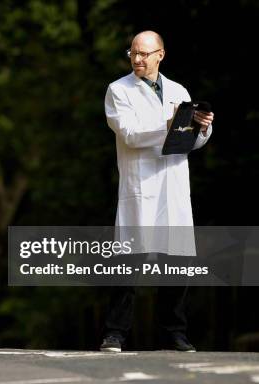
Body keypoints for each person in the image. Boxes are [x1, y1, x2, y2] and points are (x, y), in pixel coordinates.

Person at [101, 31, 214, 352]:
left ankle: (175, 332)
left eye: (144, 54)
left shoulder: (179, 90)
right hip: (141, 184)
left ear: (160, 55)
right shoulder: (118, 90)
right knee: (129, 261)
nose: (137, 59)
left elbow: (191, 141)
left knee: (175, 261)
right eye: (133, 53)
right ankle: (115, 333)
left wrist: (203, 127)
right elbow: (129, 134)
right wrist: (168, 124)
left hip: (173, 184)